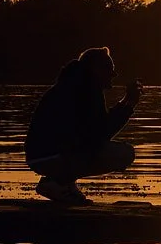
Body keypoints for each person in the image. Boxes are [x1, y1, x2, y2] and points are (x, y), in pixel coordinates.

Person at [24, 46, 141, 205]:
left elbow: (95, 130)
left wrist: (127, 101)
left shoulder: (74, 84)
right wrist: (129, 105)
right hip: (52, 156)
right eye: (109, 68)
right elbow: (99, 134)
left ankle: (63, 183)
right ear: (95, 69)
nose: (113, 74)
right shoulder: (87, 89)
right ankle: (58, 183)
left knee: (90, 146)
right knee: (125, 153)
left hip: (39, 157)